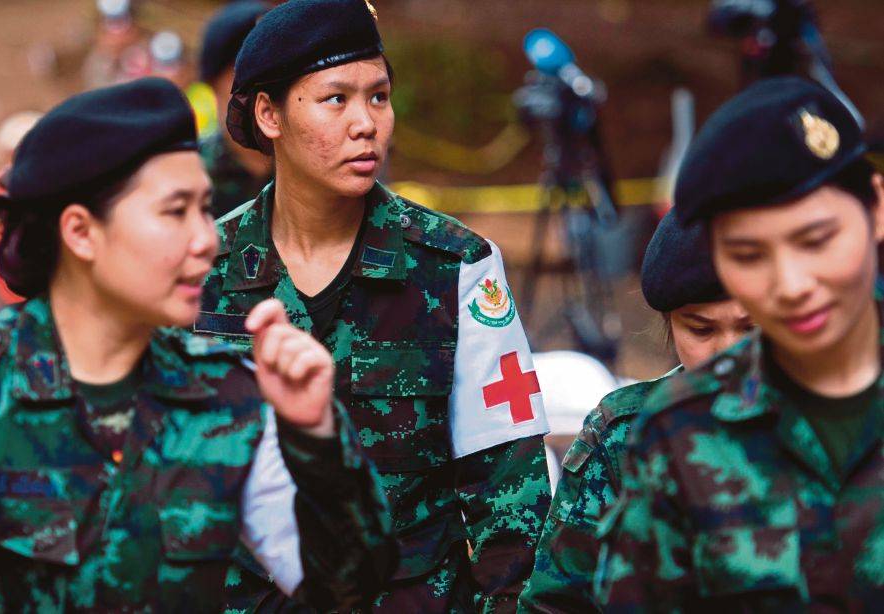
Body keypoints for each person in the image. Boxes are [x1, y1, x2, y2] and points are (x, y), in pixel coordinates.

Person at [0, 77, 395, 612]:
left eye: (204, 208)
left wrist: (316, 437)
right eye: (175, 212)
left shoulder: (229, 395)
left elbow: (347, 589)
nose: (207, 238)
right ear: (80, 232)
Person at [196, 1, 552, 610]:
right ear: (268, 114)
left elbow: (509, 501)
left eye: (379, 97)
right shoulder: (202, 268)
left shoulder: (455, 266)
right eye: (336, 99)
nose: (367, 123)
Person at [595, 76, 884, 609]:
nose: (792, 285)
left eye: (817, 240)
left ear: (876, 210)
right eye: (749, 256)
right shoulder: (679, 432)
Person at [518, 209, 754, 612]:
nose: (727, 354)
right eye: (701, 329)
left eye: (752, 328)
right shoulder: (625, 435)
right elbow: (556, 604)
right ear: (669, 324)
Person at [198, 1, 274, 219]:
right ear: (213, 83)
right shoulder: (191, 172)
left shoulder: (310, 165)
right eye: (243, 71)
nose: (260, 84)